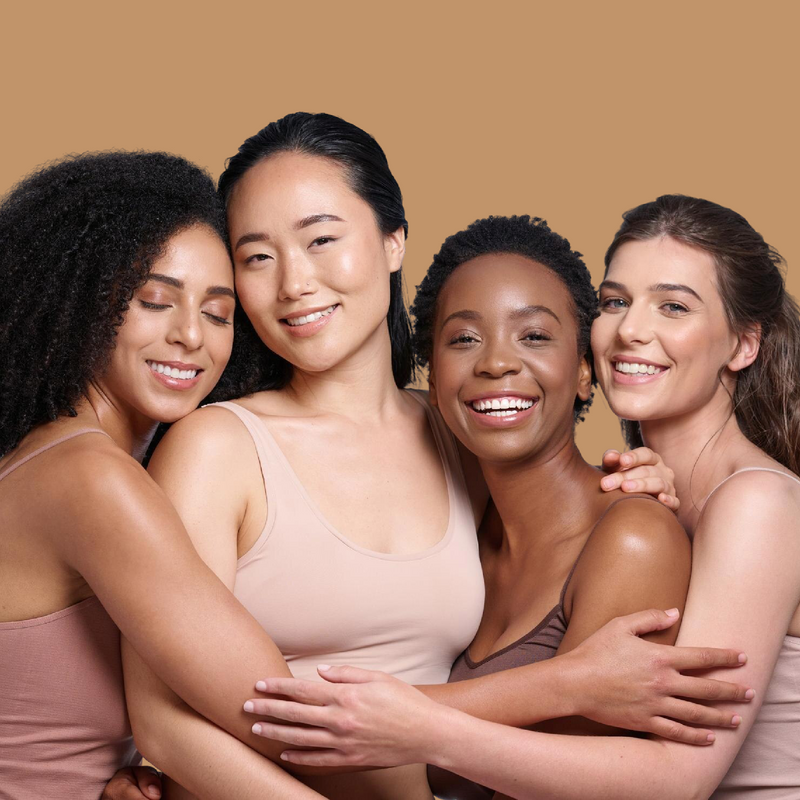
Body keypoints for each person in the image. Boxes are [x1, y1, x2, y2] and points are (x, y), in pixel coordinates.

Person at [121, 116, 754, 800]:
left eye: (321, 239)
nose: (295, 283)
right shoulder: (214, 448)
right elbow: (164, 725)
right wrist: (565, 683)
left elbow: (558, 510)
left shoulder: (462, 432)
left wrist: (649, 481)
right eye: (257, 257)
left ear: (394, 241)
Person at [250, 195, 800, 800]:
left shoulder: (751, 505)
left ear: (745, 345)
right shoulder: (638, 491)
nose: (633, 329)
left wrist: (420, 725)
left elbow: (678, 780)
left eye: (673, 306)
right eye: (616, 302)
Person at [0, 151, 324, 800]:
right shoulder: (91, 479)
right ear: (81, 299)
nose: (189, 337)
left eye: (217, 312)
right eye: (155, 300)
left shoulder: (51, 457)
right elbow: (278, 715)